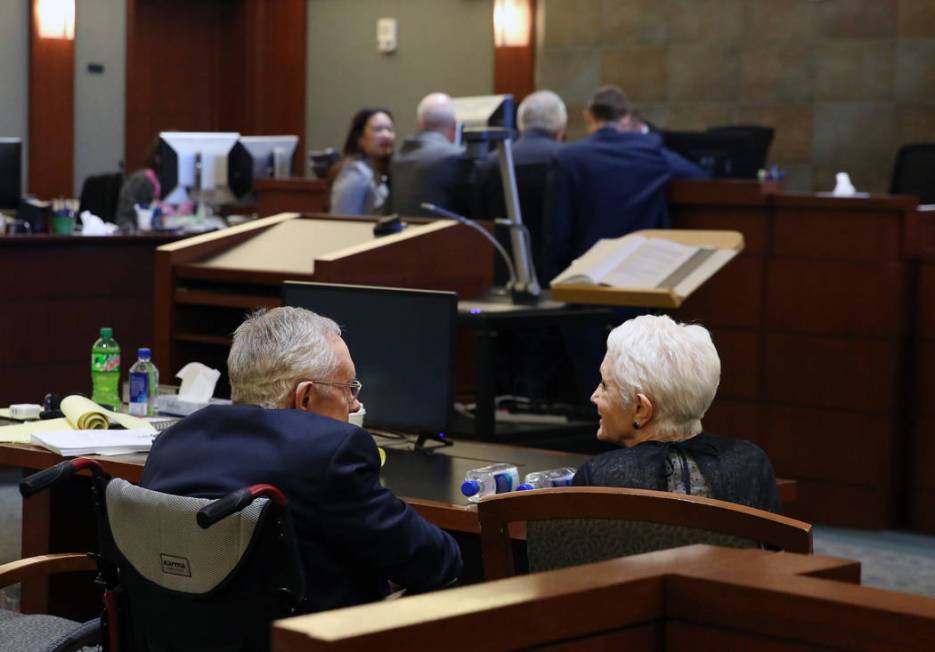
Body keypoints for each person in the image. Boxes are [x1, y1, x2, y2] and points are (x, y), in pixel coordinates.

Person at [140, 307, 462, 613]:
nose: (354, 404)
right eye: (349, 388)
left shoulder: (171, 443)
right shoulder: (330, 454)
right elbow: (433, 561)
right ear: (305, 397)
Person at [572, 314, 781, 513]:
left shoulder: (600, 478)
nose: (594, 396)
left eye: (605, 385)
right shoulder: (752, 463)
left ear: (641, 409)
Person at [542, 85, 707, 284]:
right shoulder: (653, 154)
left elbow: (557, 232)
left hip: (585, 277)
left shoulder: (569, 159)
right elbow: (699, 177)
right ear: (626, 118)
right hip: (640, 276)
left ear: (588, 116)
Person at [478, 89, 567, 278]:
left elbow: (480, 220)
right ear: (561, 127)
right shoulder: (570, 160)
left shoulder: (492, 162)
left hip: (503, 268)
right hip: (558, 270)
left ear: (520, 124)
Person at [389, 92, 470, 217]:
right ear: (455, 126)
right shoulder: (458, 158)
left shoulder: (398, 158)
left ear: (419, 123)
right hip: (447, 235)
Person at [330, 108, 396, 215]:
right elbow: (342, 220)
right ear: (359, 138)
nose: (386, 136)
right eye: (378, 129)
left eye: (389, 129)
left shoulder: (384, 172)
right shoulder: (355, 173)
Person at [115, 137, 162, 230]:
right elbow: (124, 219)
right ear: (158, 158)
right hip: (149, 240)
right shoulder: (140, 182)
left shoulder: (191, 184)